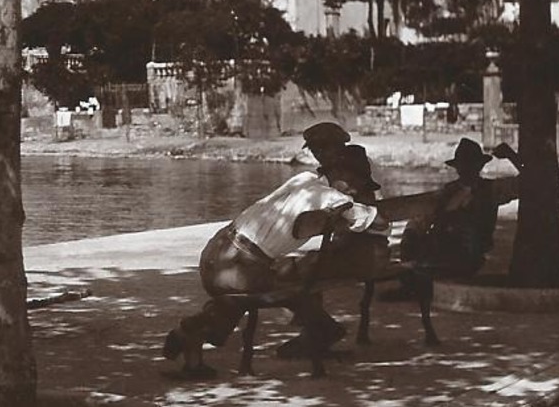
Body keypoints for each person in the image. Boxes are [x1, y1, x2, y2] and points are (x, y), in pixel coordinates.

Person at [165, 142, 395, 375]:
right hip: (239, 266)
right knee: (291, 288)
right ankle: (321, 331)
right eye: (355, 184)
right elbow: (379, 221)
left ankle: (193, 343)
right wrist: (357, 207)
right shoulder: (331, 198)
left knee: (266, 285)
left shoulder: (304, 179)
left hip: (217, 252)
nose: (354, 191)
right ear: (342, 174)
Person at [398, 138, 521, 279]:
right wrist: (411, 234)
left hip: (469, 253)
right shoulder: (448, 191)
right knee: (413, 233)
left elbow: (530, 180)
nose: (466, 169)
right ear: (457, 167)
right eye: (463, 164)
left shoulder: (492, 190)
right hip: (439, 250)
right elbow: (422, 219)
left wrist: (512, 156)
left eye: (471, 164)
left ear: (479, 166)